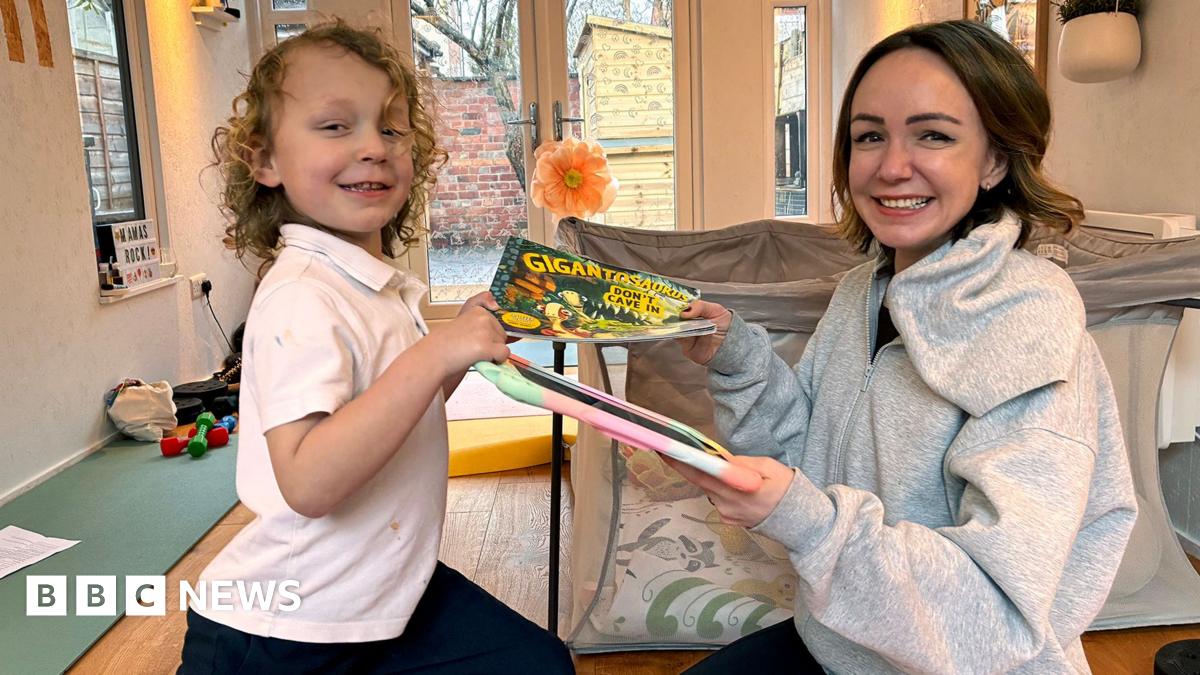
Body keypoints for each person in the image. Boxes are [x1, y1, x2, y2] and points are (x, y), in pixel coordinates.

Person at [672, 20, 1137, 674]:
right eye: (869, 136)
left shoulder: (1030, 321)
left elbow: (996, 609)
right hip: (841, 642)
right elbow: (806, 452)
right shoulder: (862, 291)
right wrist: (736, 356)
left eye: (934, 135)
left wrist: (809, 522)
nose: (891, 166)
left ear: (996, 160)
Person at [179, 21, 573, 674]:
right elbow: (307, 480)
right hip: (283, 633)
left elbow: (399, 408)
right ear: (264, 160)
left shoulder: (376, 287)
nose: (373, 146)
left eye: (391, 128)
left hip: (382, 595)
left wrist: (462, 346)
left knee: (536, 664)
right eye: (336, 126)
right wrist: (434, 355)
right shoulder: (301, 295)